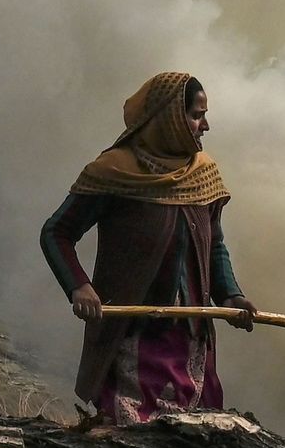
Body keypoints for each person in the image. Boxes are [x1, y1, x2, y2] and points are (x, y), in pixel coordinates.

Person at [39, 71, 255, 424]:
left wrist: (231, 296)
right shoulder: (114, 171)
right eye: (197, 115)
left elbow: (214, 244)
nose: (205, 126)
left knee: (193, 434)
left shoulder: (204, 173)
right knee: (131, 431)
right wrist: (79, 286)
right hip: (132, 336)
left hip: (191, 337)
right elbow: (56, 232)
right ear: (170, 118)